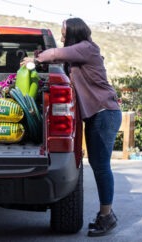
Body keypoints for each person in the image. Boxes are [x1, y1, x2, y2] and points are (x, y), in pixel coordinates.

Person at [21, 17, 122, 237]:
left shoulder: (87, 48)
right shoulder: (79, 55)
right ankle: (106, 214)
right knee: (98, 164)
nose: (62, 36)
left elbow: (56, 53)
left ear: (74, 32)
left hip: (105, 113)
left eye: (64, 32)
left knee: (101, 166)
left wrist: (34, 58)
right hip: (97, 115)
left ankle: (107, 216)